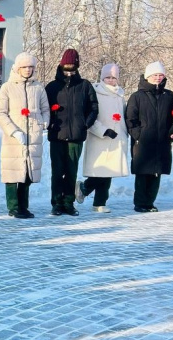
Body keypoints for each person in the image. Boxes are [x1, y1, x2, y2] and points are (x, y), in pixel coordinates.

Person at [0, 52, 50, 219]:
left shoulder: (38, 88)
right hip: (14, 138)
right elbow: (0, 113)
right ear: (18, 68)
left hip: (33, 136)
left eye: (30, 67)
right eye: (24, 67)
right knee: (12, 173)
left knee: (27, 173)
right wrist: (14, 131)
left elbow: (45, 109)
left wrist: (44, 122)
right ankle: (13, 207)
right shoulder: (7, 87)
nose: (27, 70)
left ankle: (24, 206)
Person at [46, 49, 98, 216]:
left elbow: (93, 108)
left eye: (72, 69)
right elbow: (44, 108)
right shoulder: (52, 87)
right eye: (66, 68)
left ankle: (69, 202)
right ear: (61, 67)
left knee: (71, 171)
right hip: (57, 135)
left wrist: (85, 124)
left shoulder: (84, 85)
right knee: (57, 171)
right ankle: (56, 203)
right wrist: (51, 122)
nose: (69, 72)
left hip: (76, 135)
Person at [126, 61, 173, 212]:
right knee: (143, 173)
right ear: (148, 76)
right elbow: (130, 118)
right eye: (155, 75)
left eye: (160, 75)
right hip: (143, 141)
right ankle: (140, 203)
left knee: (157, 173)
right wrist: (139, 134)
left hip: (162, 140)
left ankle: (150, 202)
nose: (158, 78)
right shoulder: (137, 96)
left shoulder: (169, 95)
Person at [76, 63, 129, 213]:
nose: (111, 80)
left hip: (117, 137)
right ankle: (85, 188)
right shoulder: (95, 92)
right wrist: (103, 130)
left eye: (114, 78)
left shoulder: (120, 94)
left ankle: (99, 202)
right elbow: (90, 115)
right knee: (101, 171)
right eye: (108, 77)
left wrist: (124, 132)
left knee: (109, 173)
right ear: (102, 78)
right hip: (100, 137)